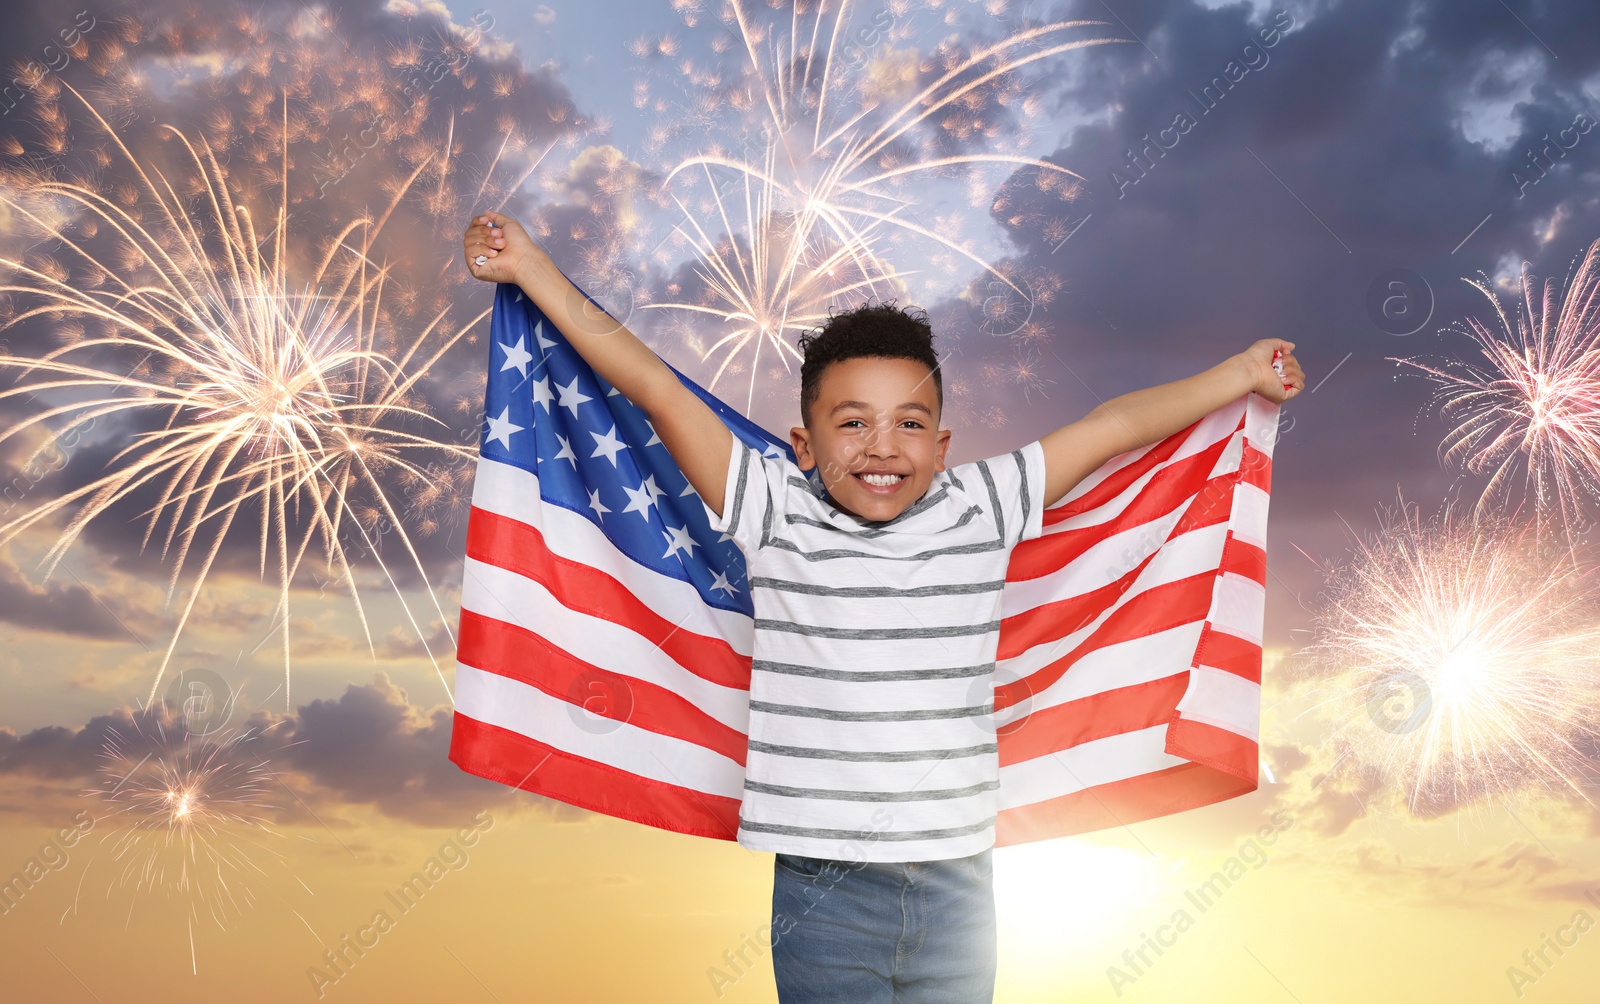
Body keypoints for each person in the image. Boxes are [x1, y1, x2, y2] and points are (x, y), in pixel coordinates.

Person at [462, 211, 1304, 1003]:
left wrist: (1239, 373)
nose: (881, 447)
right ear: (804, 444)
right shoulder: (773, 508)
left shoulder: (983, 504)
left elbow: (1112, 425)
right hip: (822, 895)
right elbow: (656, 386)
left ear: (941, 446)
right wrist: (531, 268)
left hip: (958, 887)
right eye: (852, 423)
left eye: (909, 424)